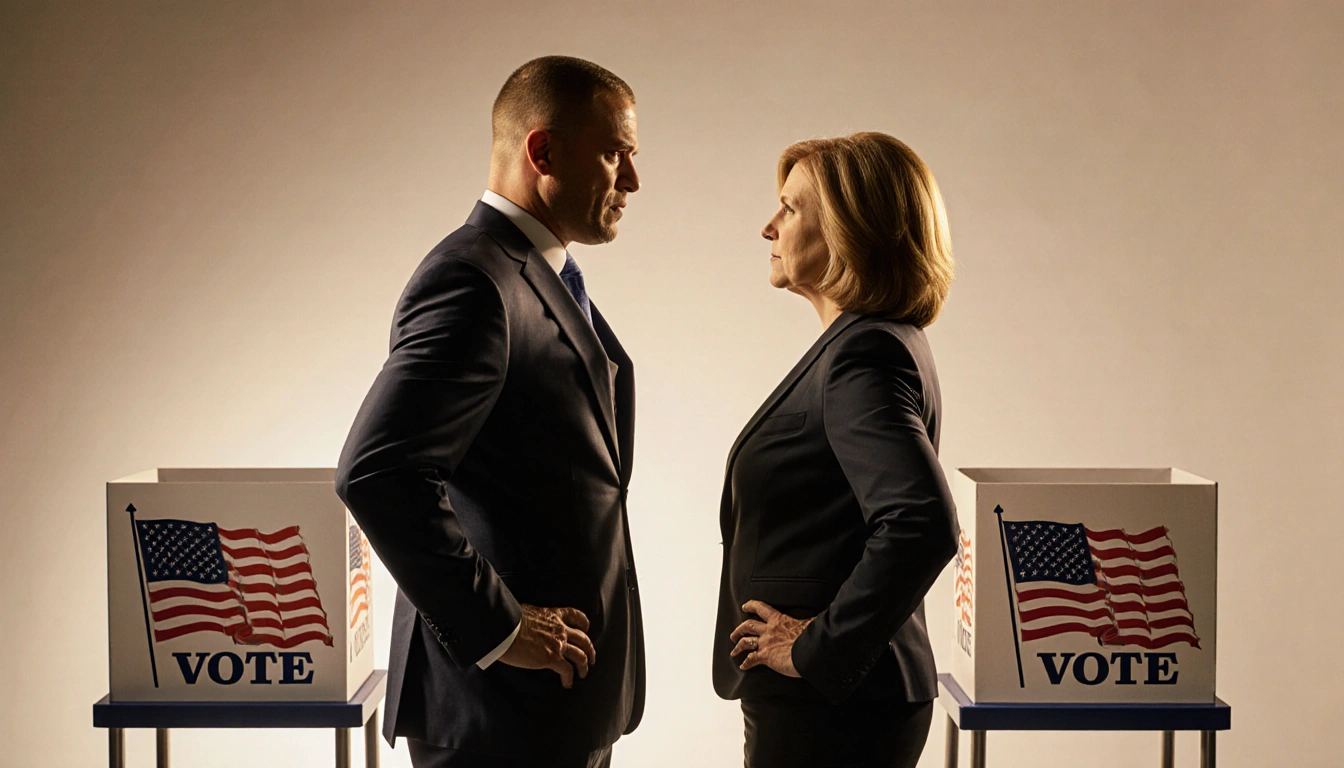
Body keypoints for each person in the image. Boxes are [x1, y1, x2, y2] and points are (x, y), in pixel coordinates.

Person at [336, 55, 643, 768]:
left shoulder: (536, 274)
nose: (631, 180)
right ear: (543, 151)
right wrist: (501, 629)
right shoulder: (474, 279)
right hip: (497, 707)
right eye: (614, 153)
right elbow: (378, 472)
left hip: (553, 703)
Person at [712, 132, 959, 768]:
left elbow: (922, 523)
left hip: (832, 709)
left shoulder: (862, 355)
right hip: (841, 701)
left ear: (850, 231)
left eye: (790, 209)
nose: (768, 227)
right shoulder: (875, 343)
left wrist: (816, 647)